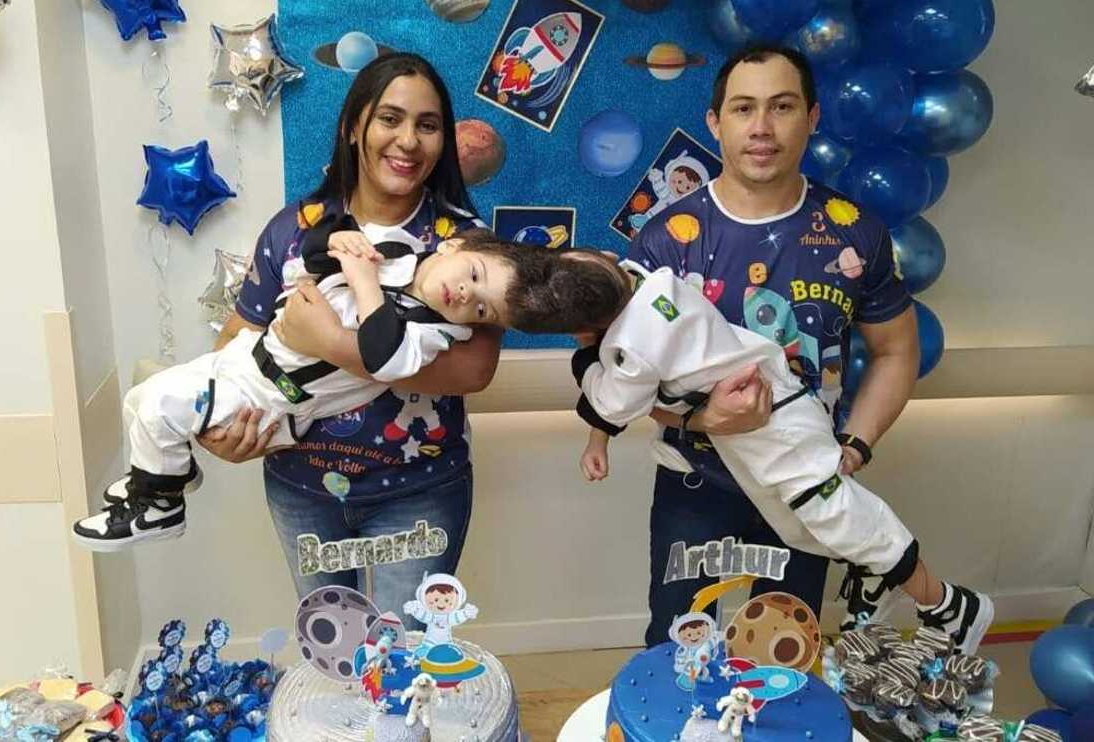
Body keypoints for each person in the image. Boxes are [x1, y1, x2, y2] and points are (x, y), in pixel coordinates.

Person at [619, 43, 945, 645]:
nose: (762, 128)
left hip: (805, 487)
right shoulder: (666, 242)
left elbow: (897, 352)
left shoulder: (855, 231)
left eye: (782, 106)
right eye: (743, 109)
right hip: (696, 482)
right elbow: (624, 379)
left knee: (784, 658)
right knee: (676, 647)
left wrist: (854, 448)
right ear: (716, 123)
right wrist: (701, 419)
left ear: (812, 117)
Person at [188, 53, 509, 618]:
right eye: (390, 119)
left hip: (419, 490)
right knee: (331, 652)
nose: (408, 140)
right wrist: (220, 425)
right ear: (353, 127)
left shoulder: (465, 244)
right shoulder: (297, 228)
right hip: (302, 488)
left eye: (427, 125)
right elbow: (236, 338)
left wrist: (330, 341)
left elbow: (473, 371)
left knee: (402, 661)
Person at [568, 253, 993, 653]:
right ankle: (876, 575)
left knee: (842, 521)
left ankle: (949, 605)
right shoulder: (655, 281)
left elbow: (615, 400)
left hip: (778, 431)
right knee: (801, 529)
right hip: (740, 447)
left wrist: (586, 355)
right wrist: (598, 438)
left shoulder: (634, 345)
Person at [70, 219, 579, 550]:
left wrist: (360, 282)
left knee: (160, 406)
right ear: (454, 246)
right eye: (470, 273)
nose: (464, 294)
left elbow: (380, 354)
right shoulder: (399, 253)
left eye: (482, 307)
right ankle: (165, 479)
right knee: (142, 398)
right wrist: (337, 240)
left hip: (273, 398)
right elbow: (311, 258)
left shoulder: (433, 332)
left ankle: (159, 508)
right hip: (246, 363)